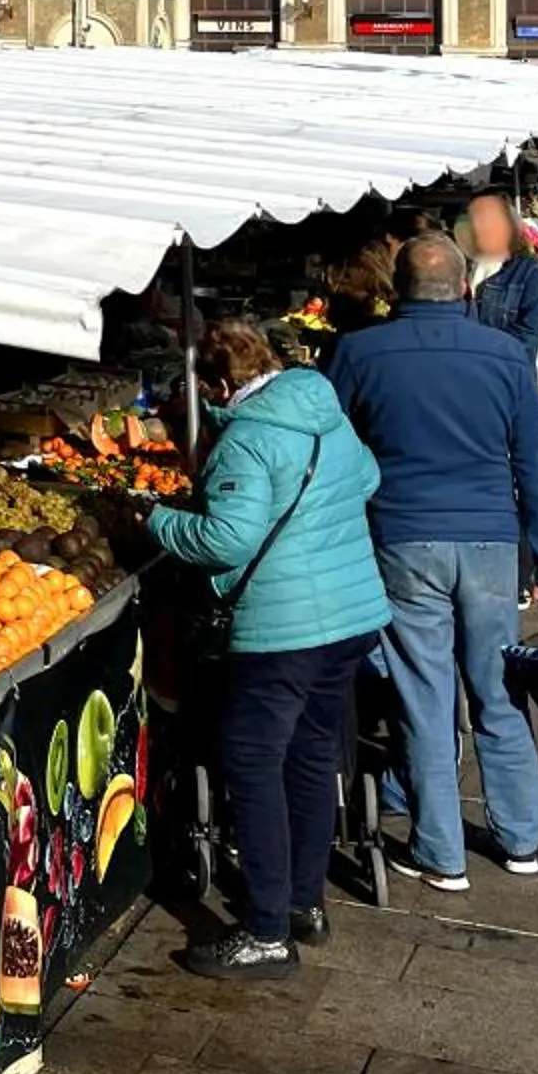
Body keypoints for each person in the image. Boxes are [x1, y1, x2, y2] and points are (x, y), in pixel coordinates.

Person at [323, 236, 538, 892]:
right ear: (465, 287)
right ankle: (521, 838)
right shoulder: (505, 355)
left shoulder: (358, 353)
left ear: (395, 290)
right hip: (491, 541)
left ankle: (441, 852)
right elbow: (534, 470)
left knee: (423, 693)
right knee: (499, 689)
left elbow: (333, 450)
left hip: (403, 537)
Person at [143, 318, 388, 980]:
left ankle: (265, 931)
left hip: (284, 630)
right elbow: (366, 479)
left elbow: (227, 541)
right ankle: (305, 903)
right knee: (310, 757)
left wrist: (156, 518)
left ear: (220, 383)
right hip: (353, 614)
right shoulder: (322, 407)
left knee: (251, 763)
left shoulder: (244, 440)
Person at [460, 191, 538, 355]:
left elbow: (529, 334)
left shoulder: (528, 272)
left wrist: (482, 349)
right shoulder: (459, 265)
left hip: (505, 370)